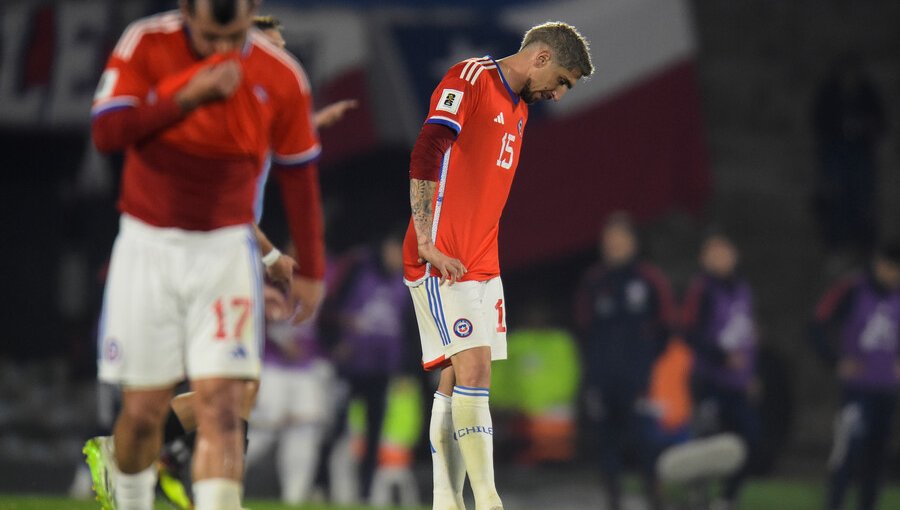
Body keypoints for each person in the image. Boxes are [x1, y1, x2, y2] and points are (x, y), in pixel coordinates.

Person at [86, 0, 326, 508]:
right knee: (144, 411)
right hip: (150, 245)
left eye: (233, 37)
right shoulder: (147, 43)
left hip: (224, 254)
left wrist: (311, 269)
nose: (221, 50)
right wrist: (184, 96)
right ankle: (126, 484)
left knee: (226, 406)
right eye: (208, 37)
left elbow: (300, 174)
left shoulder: (280, 75)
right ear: (185, 13)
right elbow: (107, 133)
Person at [404, 22, 592, 510]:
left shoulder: (521, 109)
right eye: (564, 81)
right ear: (542, 58)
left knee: (454, 377)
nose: (559, 94)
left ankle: (446, 500)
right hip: (443, 253)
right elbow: (427, 149)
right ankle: (488, 499)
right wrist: (425, 239)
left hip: (482, 258)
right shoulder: (471, 77)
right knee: (475, 367)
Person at [575, 213, 675, 510]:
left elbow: (667, 325)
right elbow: (583, 327)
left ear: (633, 242)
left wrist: (644, 362)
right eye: (609, 240)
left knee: (645, 442)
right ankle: (614, 501)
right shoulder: (594, 281)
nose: (614, 245)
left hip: (639, 380)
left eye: (620, 239)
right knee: (607, 443)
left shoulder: (649, 279)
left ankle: (654, 498)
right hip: (603, 379)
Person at [810, 240, 900, 510]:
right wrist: (835, 360)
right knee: (848, 455)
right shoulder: (852, 288)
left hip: (887, 390)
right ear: (880, 264)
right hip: (857, 390)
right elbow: (816, 324)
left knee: (876, 458)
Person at [681, 230, 761, 510]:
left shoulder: (742, 289)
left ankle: (728, 496)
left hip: (738, 383)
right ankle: (698, 497)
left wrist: (752, 372)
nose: (720, 259)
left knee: (748, 439)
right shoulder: (701, 289)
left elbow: (748, 335)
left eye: (724, 252)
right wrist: (720, 356)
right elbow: (689, 331)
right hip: (710, 379)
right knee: (705, 443)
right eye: (713, 253)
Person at [811, 55, 887, 259]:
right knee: (836, 195)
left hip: (861, 152)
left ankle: (864, 246)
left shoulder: (867, 92)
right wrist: (839, 127)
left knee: (862, 197)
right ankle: (836, 244)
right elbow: (819, 120)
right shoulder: (830, 92)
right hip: (836, 150)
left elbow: (880, 122)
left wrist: (863, 127)